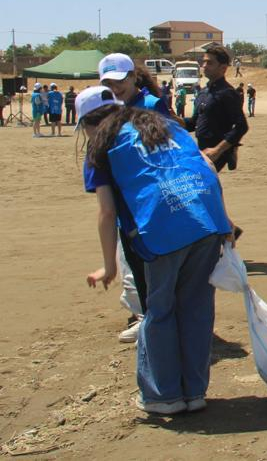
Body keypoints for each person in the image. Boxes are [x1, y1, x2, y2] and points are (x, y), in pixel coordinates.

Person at [76, 86, 234, 415]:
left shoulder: (102, 144)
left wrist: (109, 266)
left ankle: (163, 396)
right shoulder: (161, 125)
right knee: (196, 308)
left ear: (87, 124)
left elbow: (107, 212)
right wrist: (225, 222)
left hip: (162, 229)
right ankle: (194, 392)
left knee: (159, 311)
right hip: (206, 220)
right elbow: (205, 165)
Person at [98, 53, 176, 341]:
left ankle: (161, 325)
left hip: (153, 202)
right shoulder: (109, 109)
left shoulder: (152, 104)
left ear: (133, 77)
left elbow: (170, 151)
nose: (115, 88)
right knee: (135, 266)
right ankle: (147, 319)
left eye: (120, 81)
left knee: (157, 267)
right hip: (126, 202)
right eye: (108, 83)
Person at [183, 45, 249, 172]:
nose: (204, 66)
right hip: (202, 149)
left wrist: (217, 150)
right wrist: (173, 120)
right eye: (204, 62)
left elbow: (242, 126)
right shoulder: (203, 92)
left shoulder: (227, 93)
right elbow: (193, 123)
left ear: (223, 68)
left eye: (210, 63)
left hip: (216, 153)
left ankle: (231, 150)